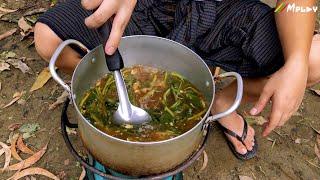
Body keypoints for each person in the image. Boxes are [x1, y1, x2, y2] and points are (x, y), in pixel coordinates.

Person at [34, 0, 320, 160]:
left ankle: (222, 102)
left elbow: (295, 3)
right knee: (47, 38)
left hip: (225, 13)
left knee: (312, 59)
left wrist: (295, 62)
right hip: (146, 5)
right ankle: (113, 81)